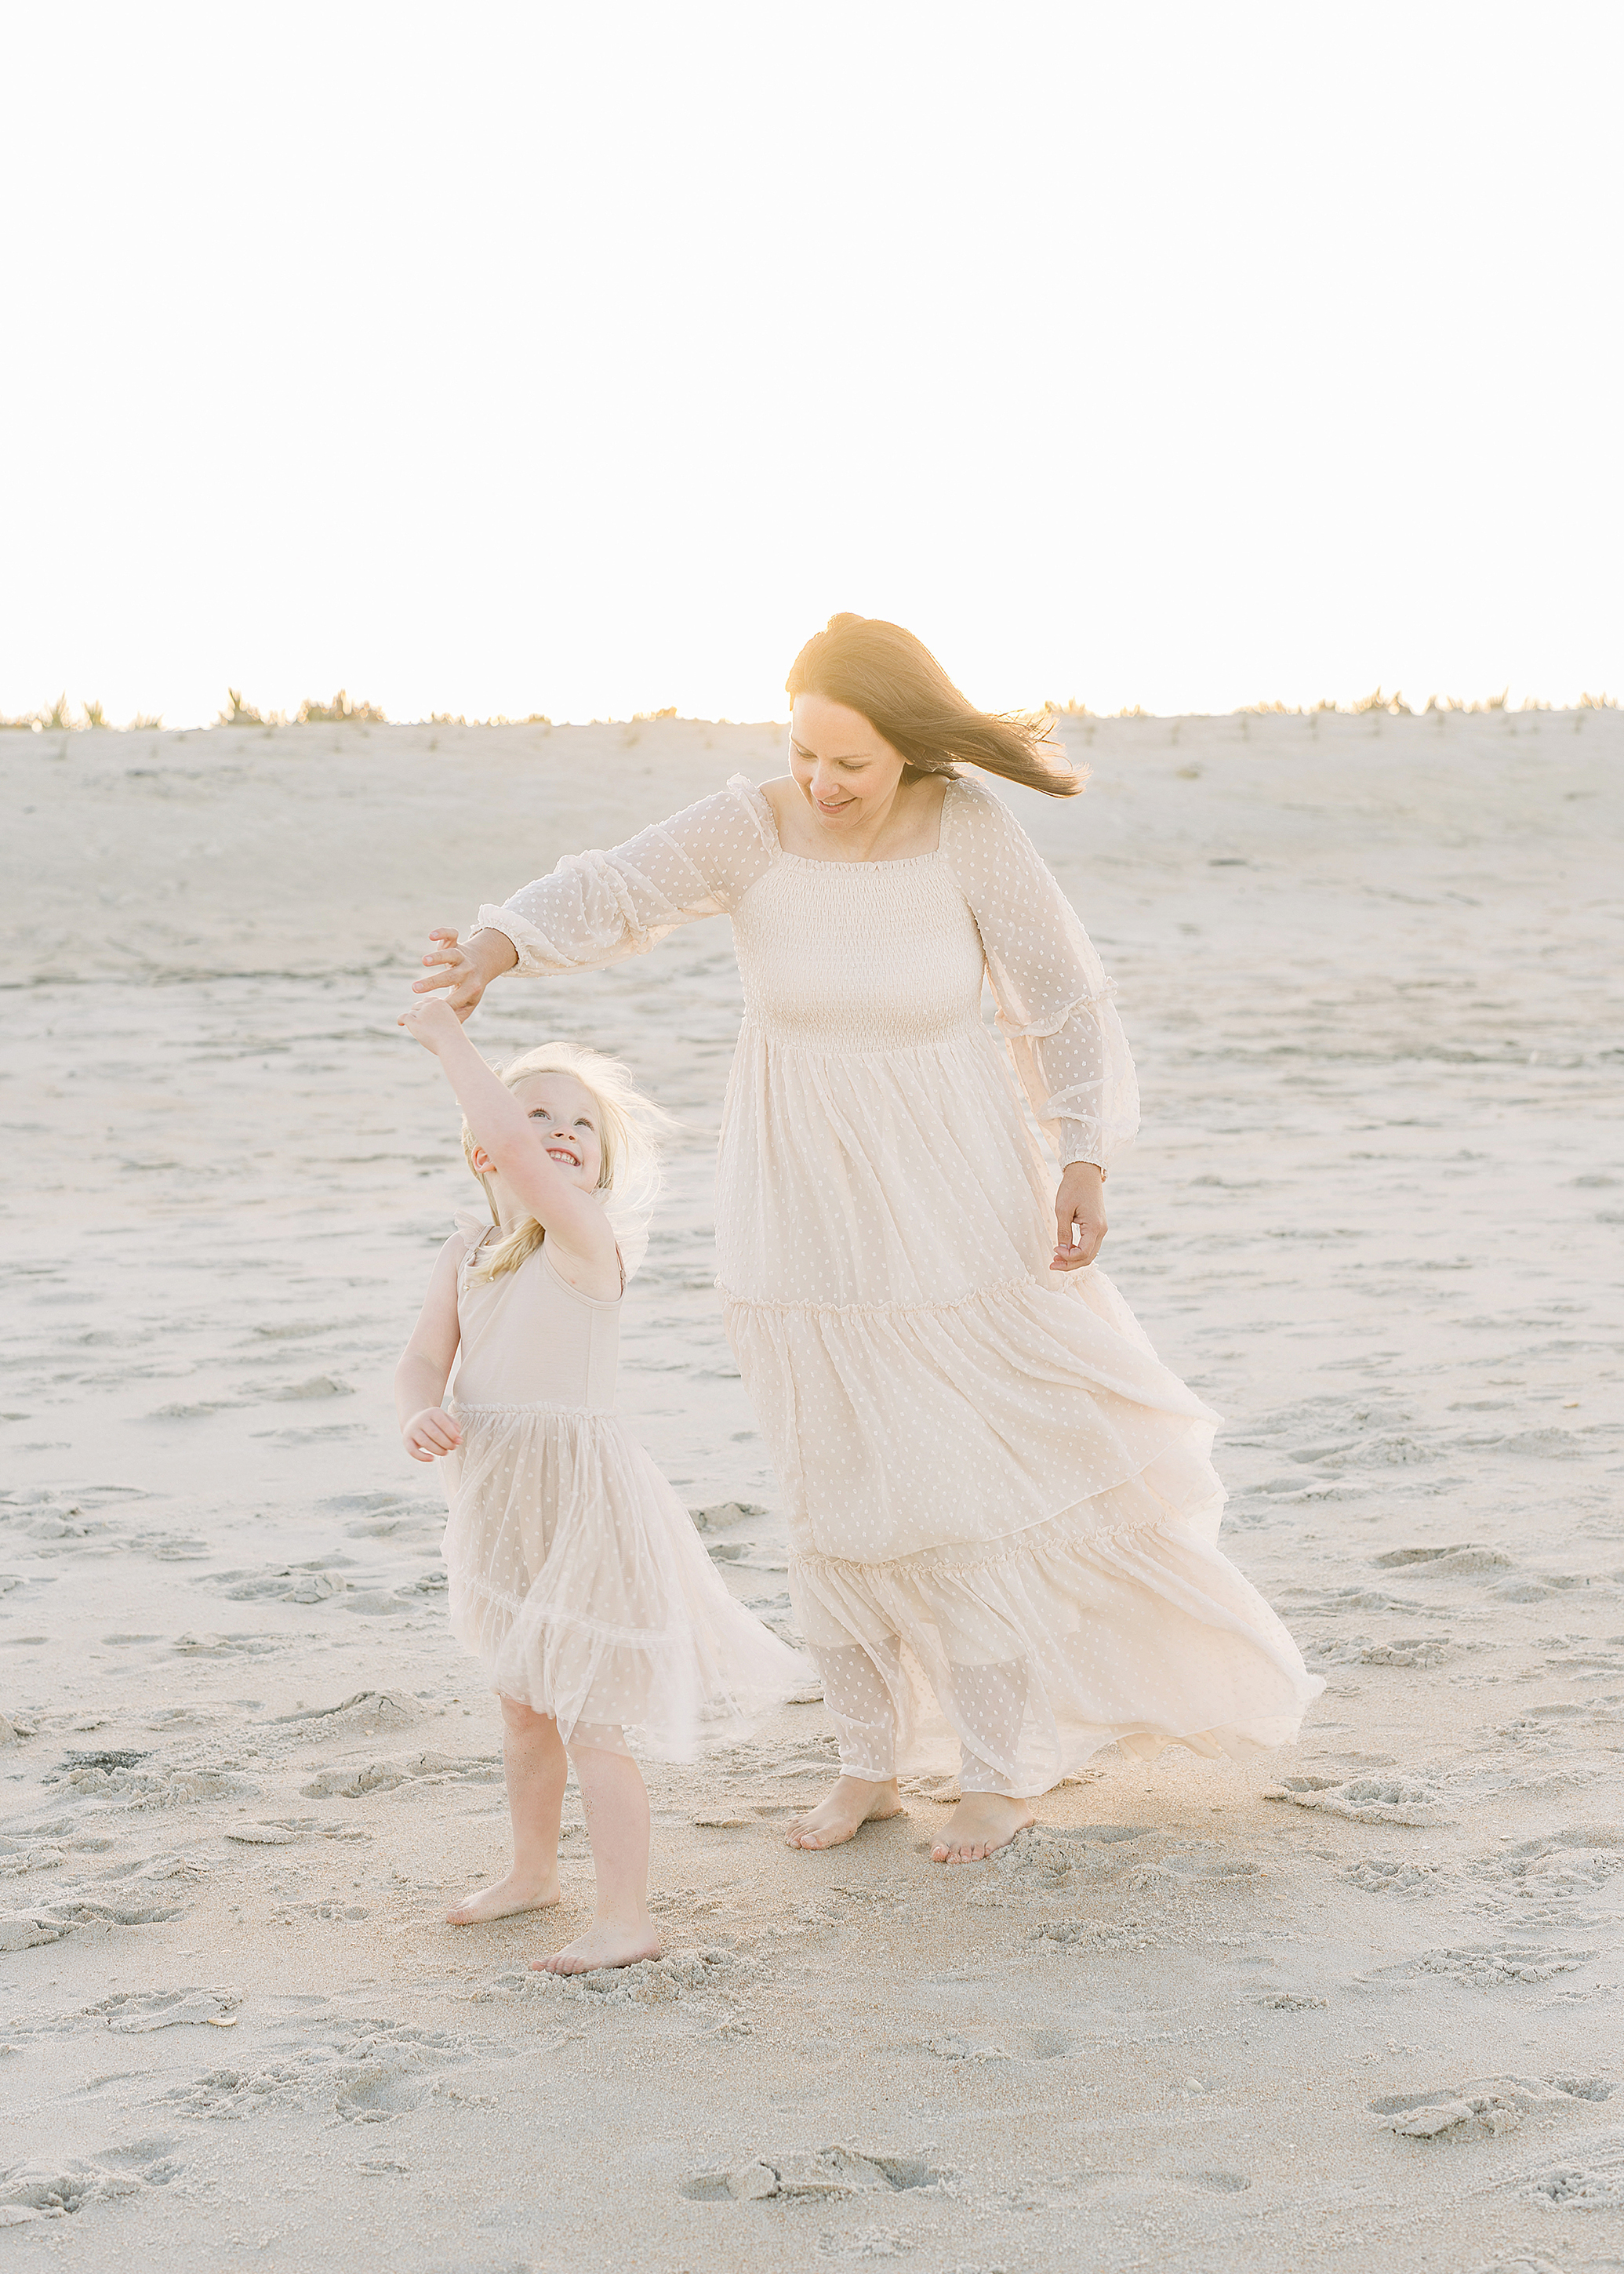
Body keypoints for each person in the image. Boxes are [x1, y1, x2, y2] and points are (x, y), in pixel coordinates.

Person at [413, 612, 1323, 1865]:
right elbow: (620, 883)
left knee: (961, 1481)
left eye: (849, 761)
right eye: (804, 754)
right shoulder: (746, 824)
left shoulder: (966, 831)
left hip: (953, 1193)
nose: (820, 783)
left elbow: (1058, 995)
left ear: (907, 748)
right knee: (826, 1480)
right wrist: (501, 944)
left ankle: (998, 1770)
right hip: (796, 1198)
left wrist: (1083, 1154)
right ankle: (866, 1763)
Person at [394, 1005, 807, 1970]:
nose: (560, 1133)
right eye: (536, 1115)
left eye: (582, 1124)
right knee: (521, 1703)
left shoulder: (584, 1243)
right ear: (482, 1154)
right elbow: (421, 1358)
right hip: (496, 1492)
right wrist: (418, 1410)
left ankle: (628, 1915)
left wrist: (451, 1040)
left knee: (589, 1714)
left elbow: (516, 1147)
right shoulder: (467, 1250)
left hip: (583, 1498)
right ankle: (530, 1869)